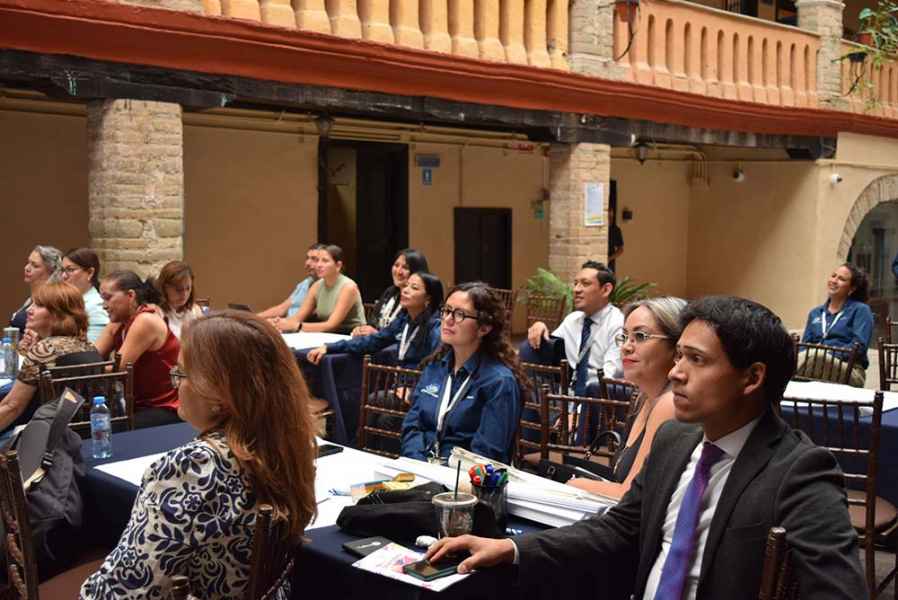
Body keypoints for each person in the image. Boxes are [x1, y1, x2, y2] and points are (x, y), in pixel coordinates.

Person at [426, 296, 867, 600]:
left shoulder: (799, 471)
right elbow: (619, 528)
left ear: (752, 378)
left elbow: (838, 592)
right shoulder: (676, 440)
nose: (676, 373)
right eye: (679, 357)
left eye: (697, 360)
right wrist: (513, 549)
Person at [81, 311, 318, 600]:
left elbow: (123, 591)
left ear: (220, 394)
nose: (174, 384)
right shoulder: (287, 447)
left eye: (181, 374)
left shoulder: (192, 468)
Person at [567, 297, 686, 500]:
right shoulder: (644, 396)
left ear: (676, 347)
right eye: (624, 337)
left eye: (640, 336)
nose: (626, 347)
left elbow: (630, 494)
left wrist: (573, 484)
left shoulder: (669, 403)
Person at [401, 282, 527, 464]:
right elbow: (412, 426)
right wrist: (418, 463)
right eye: (446, 311)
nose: (448, 319)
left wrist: (441, 471)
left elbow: (486, 453)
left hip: (463, 477)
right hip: (420, 467)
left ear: (484, 328)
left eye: (459, 314)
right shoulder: (434, 367)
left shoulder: (499, 382)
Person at [0, 282, 100, 434]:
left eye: (39, 305)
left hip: (49, 437)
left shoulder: (45, 349)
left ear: (58, 314)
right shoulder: (88, 346)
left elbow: (12, 407)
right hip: (90, 431)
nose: (29, 310)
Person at [94, 271, 181, 428]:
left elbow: (118, 369)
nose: (104, 306)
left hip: (166, 407)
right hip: (139, 407)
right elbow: (92, 357)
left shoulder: (145, 320)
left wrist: (82, 370)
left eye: (108, 298)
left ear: (130, 295)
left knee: (104, 428)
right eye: (102, 299)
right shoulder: (118, 323)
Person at [307, 271, 444, 370]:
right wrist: (330, 347)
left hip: (417, 389)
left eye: (414, 288)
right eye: (407, 285)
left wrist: (413, 391)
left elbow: (437, 367)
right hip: (400, 382)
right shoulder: (403, 320)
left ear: (428, 298)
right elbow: (373, 341)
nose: (405, 290)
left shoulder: (435, 327)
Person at [528, 260, 624, 395]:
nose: (576, 290)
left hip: (597, 397)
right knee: (527, 349)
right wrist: (540, 327)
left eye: (585, 284)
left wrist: (583, 402)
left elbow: (611, 375)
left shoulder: (618, 324)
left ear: (606, 290)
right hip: (566, 394)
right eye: (575, 283)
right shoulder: (573, 319)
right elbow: (551, 346)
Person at [800, 263, 874, 388]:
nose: (834, 281)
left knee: (817, 356)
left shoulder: (861, 310)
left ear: (852, 289)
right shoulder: (815, 313)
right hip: (812, 365)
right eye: (833, 276)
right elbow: (804, 347)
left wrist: (827, 354)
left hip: (849, 370)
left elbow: (859, 348)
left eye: (841, 279)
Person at [273, 245, 366, 335]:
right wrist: (279, 323)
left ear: (338, 265)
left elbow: (331, 325)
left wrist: (297, 326)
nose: (319, 265)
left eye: (325, 261)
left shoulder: (348, 287)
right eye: (317, 260)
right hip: (326, 334)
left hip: (352, 334)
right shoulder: (317, 286)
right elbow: (297, 318)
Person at [353, 248, 430, 336]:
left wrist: (377, 334)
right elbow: (373, 323)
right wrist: (361, 330)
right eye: (396, 265)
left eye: (405, 268)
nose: (398, 272)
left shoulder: (417, 302)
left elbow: (406, 337)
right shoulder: (390, 292)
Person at [258, 243, 324, 319]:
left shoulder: (326, 285)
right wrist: (256, 317)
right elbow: (282, 308)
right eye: (307, 258)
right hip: (286, 323)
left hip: (298, 324)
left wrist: (280, 323)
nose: (307, 263)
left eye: (314, 259)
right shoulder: (305, 283)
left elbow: (307, 316)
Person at [10, 245, 63, 334]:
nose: (27, 268)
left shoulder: (52, 300)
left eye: (35, 266)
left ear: (51, 271)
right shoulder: (31, 299)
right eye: (28, 262)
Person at [60, 248, 109, 342]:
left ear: (90, 272)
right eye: (62, 270)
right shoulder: (67, 301)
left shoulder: (96, 307)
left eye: (70, 270)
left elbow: (94, 347)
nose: (64, 276)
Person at [154, 261, 203, 339]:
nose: (184, 294)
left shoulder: (195, 310)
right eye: (179, 289)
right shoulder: (157, 313)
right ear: (165, 288)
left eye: (188, 288)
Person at [608, 205, 624, 272]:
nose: (610, 219)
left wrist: (609, 258)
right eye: (608, 217)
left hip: (609, 265)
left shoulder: (616, 230)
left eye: (611, 217)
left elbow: (620, 249)